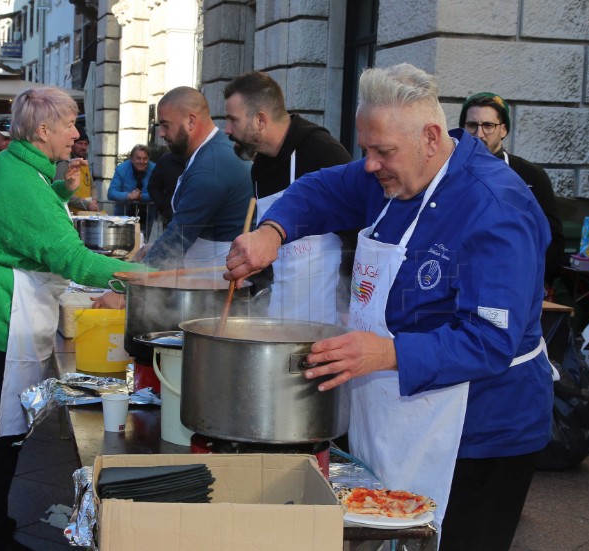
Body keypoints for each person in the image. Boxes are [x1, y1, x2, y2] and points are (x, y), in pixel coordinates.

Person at [224, 63, 554, 551]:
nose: (371, 166)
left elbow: (490, 340)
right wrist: (272, 232)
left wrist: (386, 354)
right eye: (366, 152)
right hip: (394, 415)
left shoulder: (496, 207)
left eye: (383, 153)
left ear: (429, 137)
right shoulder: (387, 176)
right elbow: (317, 189)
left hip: (482, 431)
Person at [0, 86, 143, 551]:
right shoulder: (16, 178)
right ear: (42, 130)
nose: (76, 134)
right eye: (70, 124)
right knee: (0, 427)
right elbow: (72, 258)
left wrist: (63, 191)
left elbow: (29, 212)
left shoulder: (20, 167)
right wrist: (145, 277)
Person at [223, 71, 353, 324]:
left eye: (232, 120)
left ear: (260, 119)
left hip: (326, 311)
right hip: (282, 303)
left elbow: (357, 232)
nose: (227, 129)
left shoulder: (323, 152)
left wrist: (347, 302)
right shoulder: (259, 167)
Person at [459, 92, 564, 291]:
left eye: (488, 126)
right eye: (472, 125)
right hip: (458, 283)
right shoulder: (450, 173)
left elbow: (552, 238)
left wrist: (535, 284)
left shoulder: (530, 175)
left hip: (513, 286)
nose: (479, 134)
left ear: (503, 129)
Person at [144, 86, 253, 269]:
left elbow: (178, 238)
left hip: (218, 279)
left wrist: (128, 287)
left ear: (191, 121)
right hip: (208, 270)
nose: (161, 133)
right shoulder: (213, 149)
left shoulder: (210, 167)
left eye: (166, 125)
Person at [54, 124, 99, 212]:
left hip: (85, 214)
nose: (83, 147)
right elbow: (60, 190)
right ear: (73, 144)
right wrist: (86, 204)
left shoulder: (85, 163)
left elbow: (92, 186)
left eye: (86, 144)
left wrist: (94, 200)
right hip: (70, 214)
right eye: (80, 143)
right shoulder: (64, 163)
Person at [146, 151, 185, 225]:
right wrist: (164, 208)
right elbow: (153, 186)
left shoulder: (203, 157)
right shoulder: (166, 160)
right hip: (172, 217)